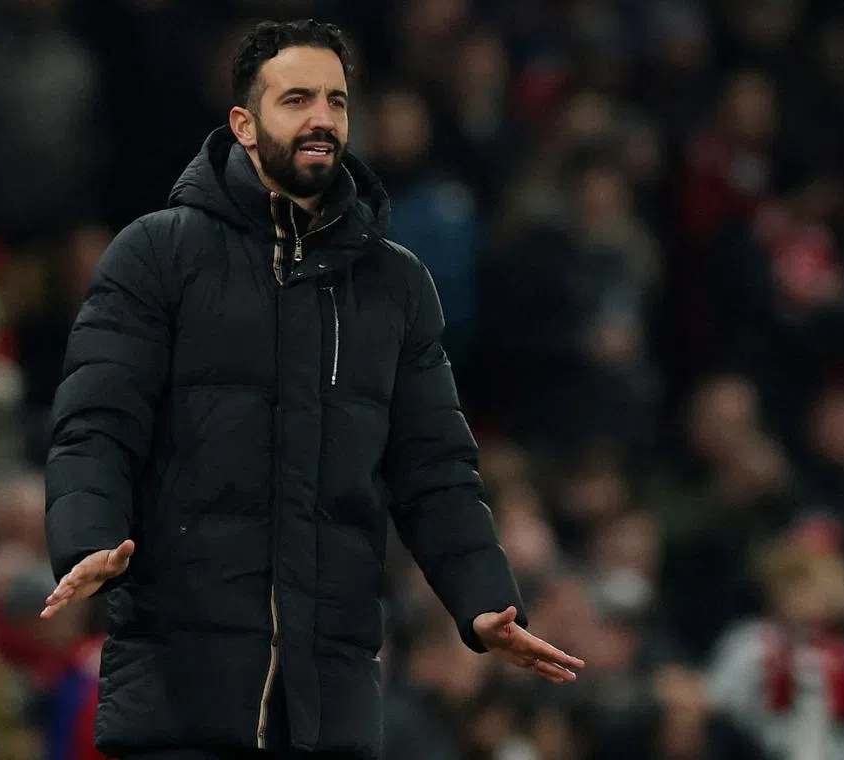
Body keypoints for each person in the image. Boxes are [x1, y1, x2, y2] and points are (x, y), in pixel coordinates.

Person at [40, 19, 584, 760]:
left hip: (330, 705)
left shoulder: (396, 286)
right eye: (297, 99)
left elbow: (436, 472)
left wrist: (483, 597)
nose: (323, 118)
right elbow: (95, 426)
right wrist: (88, 537)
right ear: (243, 123)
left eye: (336, 101)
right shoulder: (155, 256)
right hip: (182, 695)